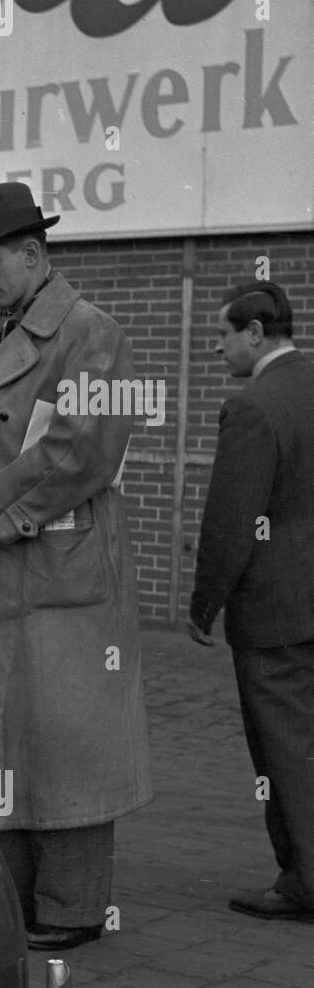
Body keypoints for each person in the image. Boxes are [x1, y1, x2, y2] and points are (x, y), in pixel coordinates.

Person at [0, 183, 152, 952]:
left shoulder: (91, 332)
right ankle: (13, 896)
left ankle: (72, 906)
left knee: (66, 739)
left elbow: (86, 448)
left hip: (58, 563)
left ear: (33, 253)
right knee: (1, 734)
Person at [188, 282, 314, 922]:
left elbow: (232, 521)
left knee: (285, 749)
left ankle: (304, 882)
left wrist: (205, 602)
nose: (216, 348)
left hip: (275, 614)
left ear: (256, 333)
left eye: (223, 334)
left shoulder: (252, 407)